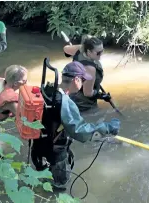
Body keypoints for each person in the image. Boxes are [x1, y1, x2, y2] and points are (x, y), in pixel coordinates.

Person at [31, 61, 120, 190]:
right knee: (59, 187)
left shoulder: (46, 89)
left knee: (41, 181)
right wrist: (107, 128)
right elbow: (79, 130)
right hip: (56, 154)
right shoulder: (65, 102)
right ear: (76, 79)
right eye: (83, 80)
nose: (83, 84)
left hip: (38, 148)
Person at [63, 35, 111, 112]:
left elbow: (66, 49)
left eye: (102, 51)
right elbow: (88, 93)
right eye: (98, 53)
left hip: (71, 91)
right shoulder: (90, 68)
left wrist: (69, 54)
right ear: (89, 52)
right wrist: (101, 95)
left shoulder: (80, 48)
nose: (101, 54)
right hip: (83, 104)